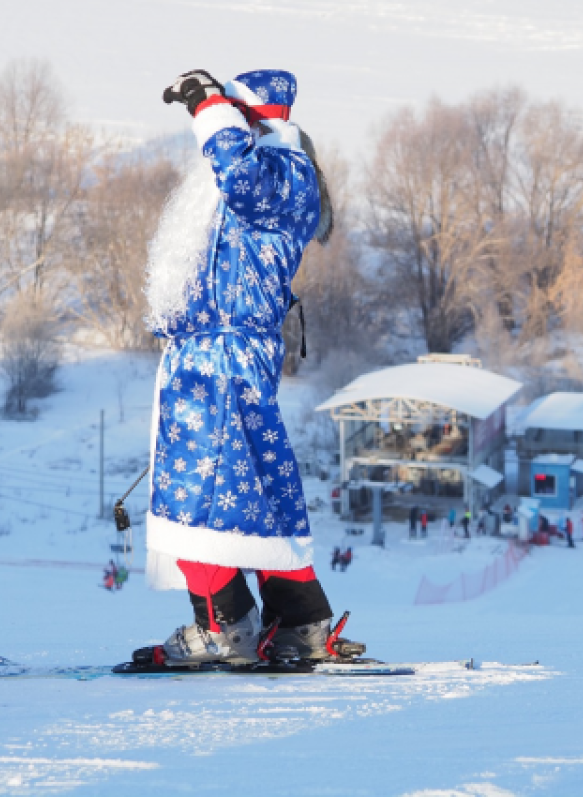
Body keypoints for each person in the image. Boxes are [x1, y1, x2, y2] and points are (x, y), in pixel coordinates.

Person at [145, 68, 343, 666]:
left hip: (220, 358)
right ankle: (299, 623)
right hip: (220, 352)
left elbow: (237, 169)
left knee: (199, 495)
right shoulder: (280, 177)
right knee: (252, 489)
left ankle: (222, 627)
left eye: (232, 111)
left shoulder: (276, 173)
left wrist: (208, 104)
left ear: (250, 116)